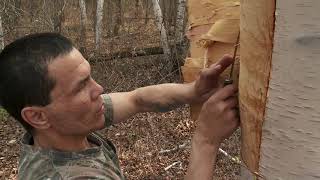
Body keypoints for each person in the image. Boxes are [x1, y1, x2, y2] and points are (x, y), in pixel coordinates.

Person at [0, 33, 239, 180]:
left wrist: (194, 91)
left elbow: (138, 99)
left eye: (90, 77)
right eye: (80, 87)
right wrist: (206, 141)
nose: (99, 89)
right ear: (36, 116)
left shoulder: (59, 127)